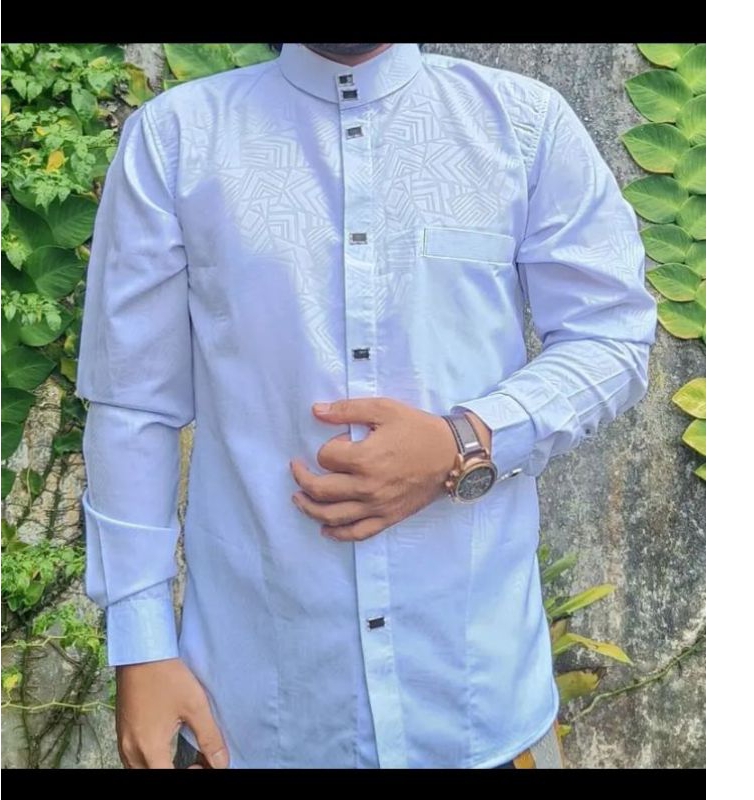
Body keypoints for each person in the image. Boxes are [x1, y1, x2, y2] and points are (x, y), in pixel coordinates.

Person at [76, 42, 657, 770]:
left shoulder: (522, 125)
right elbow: (132, 403)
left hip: (479, 701)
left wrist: (466, 440)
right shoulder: (176, 138)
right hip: (255, 715)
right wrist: (140, 645)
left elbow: (611, 335)